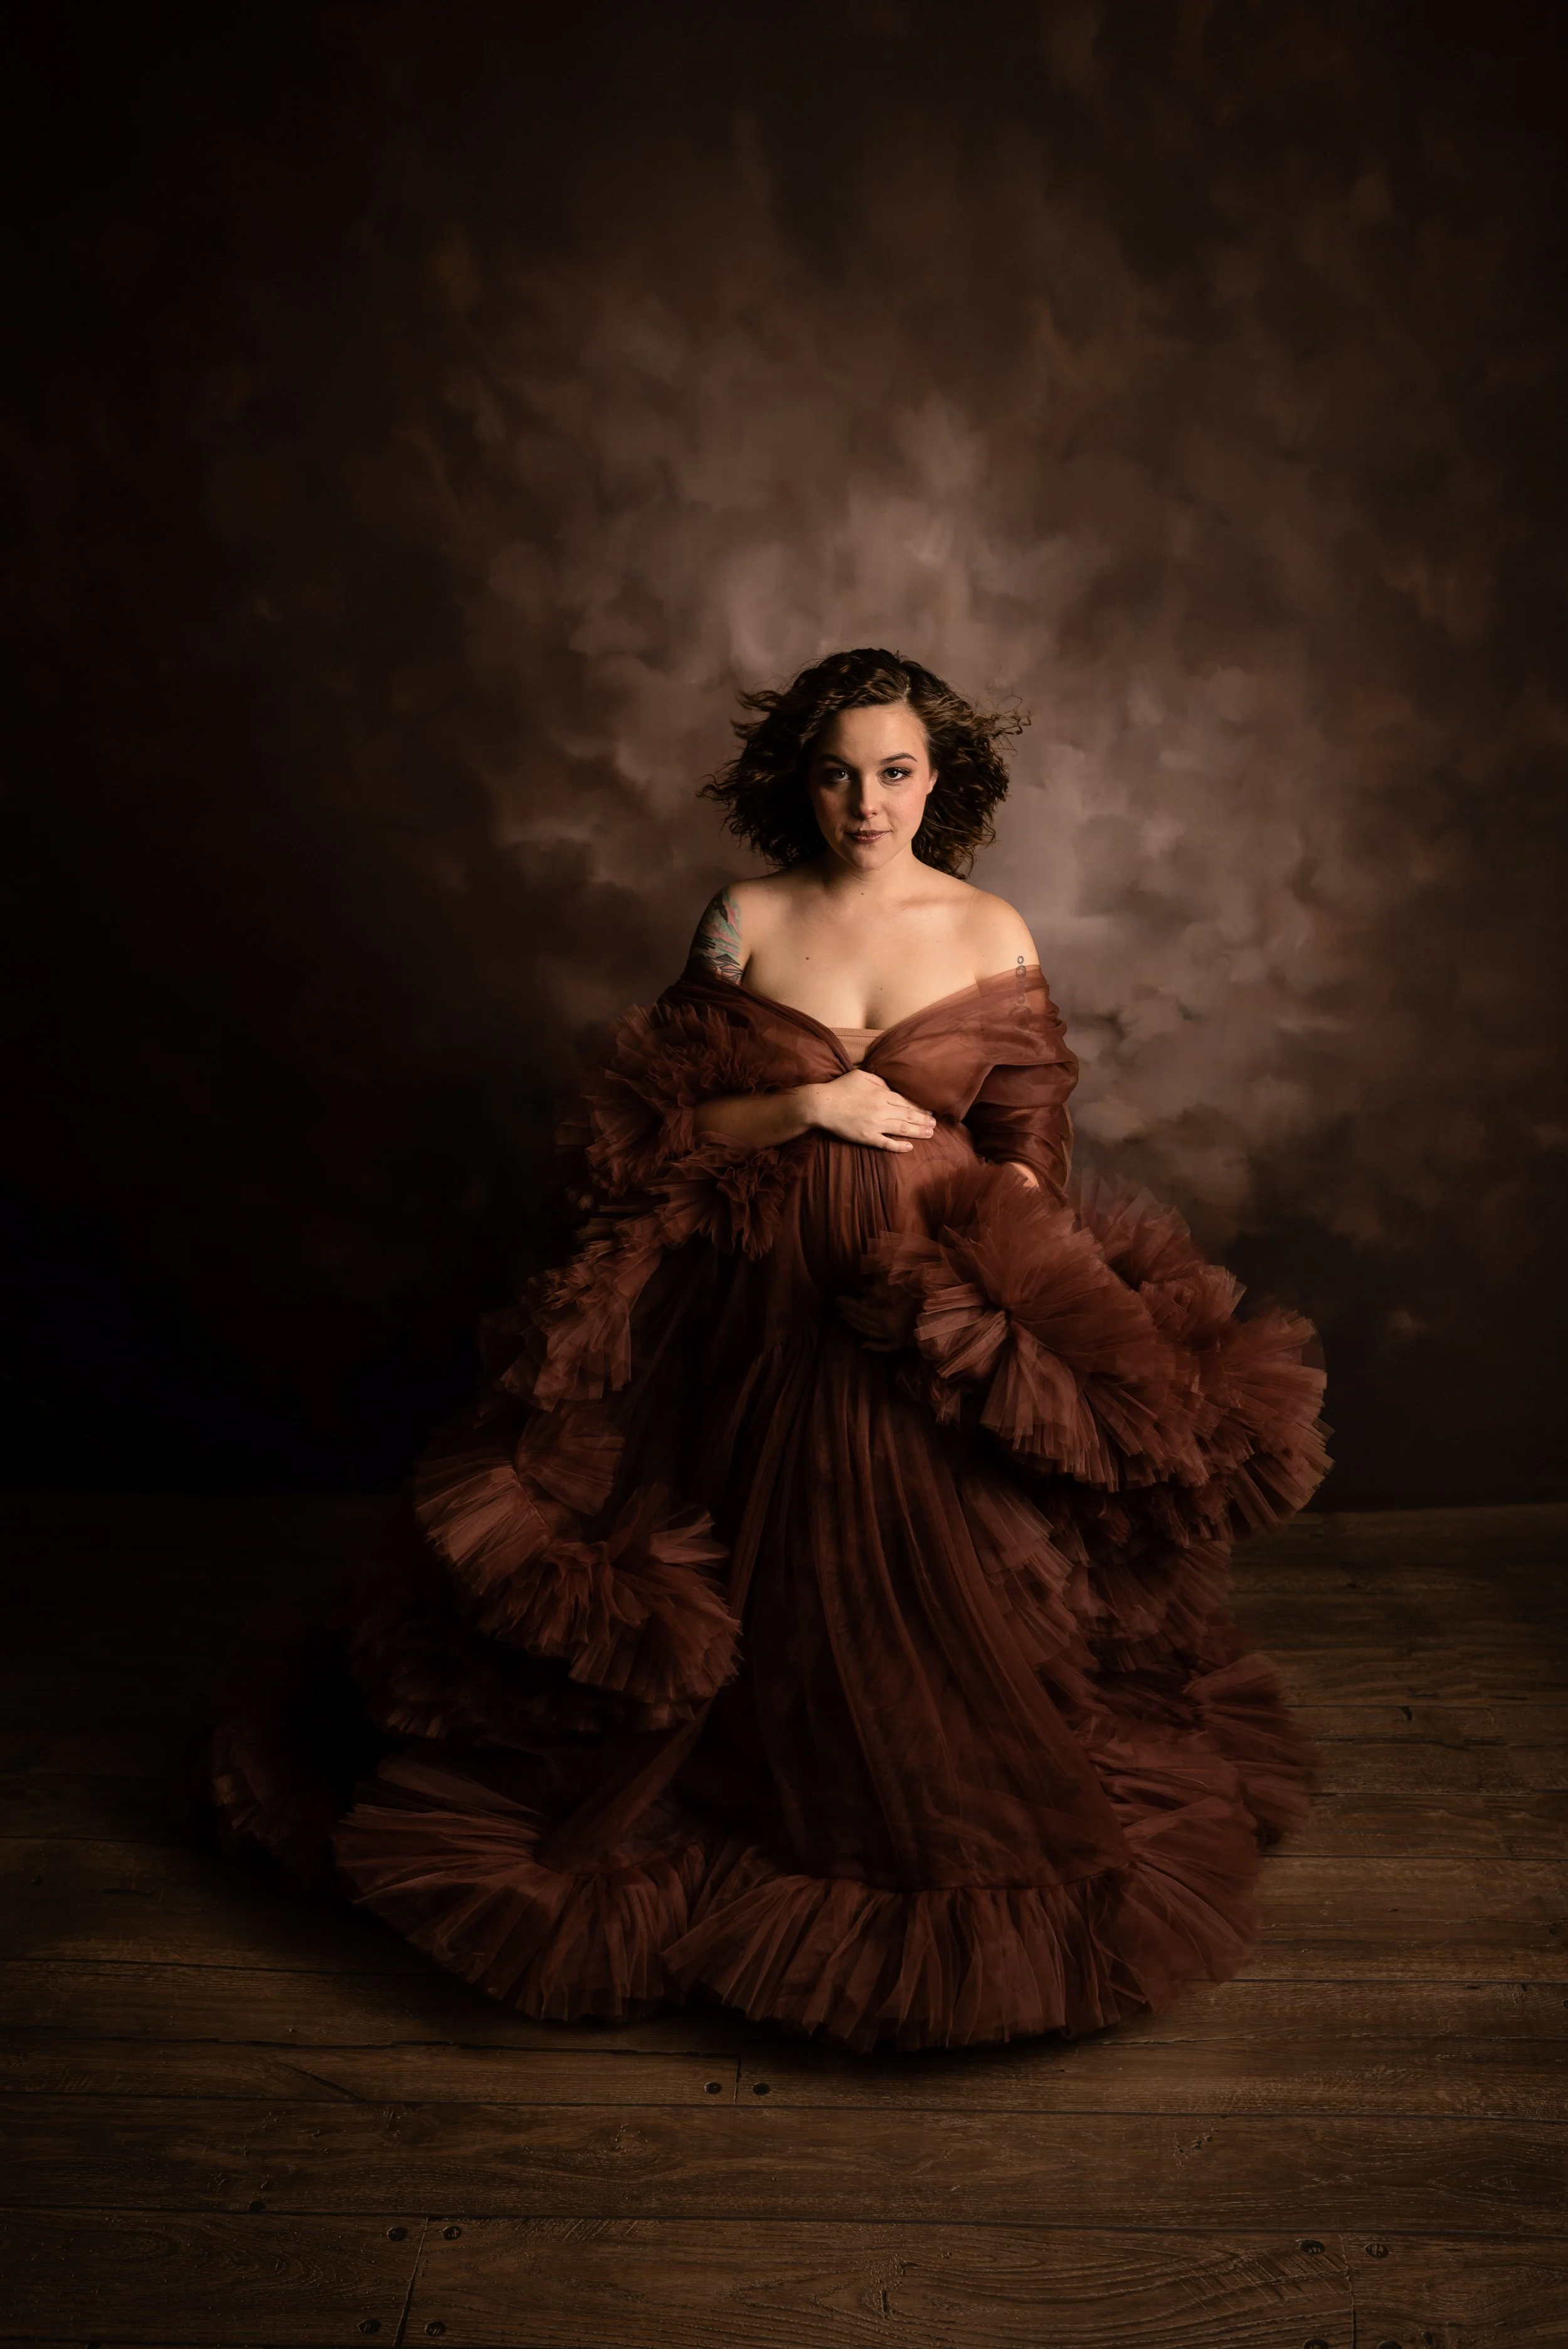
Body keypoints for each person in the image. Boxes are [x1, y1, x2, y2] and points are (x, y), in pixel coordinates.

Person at [208, 647, 1328, 2052]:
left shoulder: (990, 930)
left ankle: (912, 1825)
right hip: (742, 1303)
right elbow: (642, 1132)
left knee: (918, 1571)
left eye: (896, 772)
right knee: (749, 1556)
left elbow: (1030, 1154)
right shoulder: (741, 916)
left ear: (943, 780)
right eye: (836, 773)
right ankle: (744, 1797)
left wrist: (981, 1291)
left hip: (912, 1312)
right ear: (795, 781)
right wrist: (807, 1106)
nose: (866, 802)